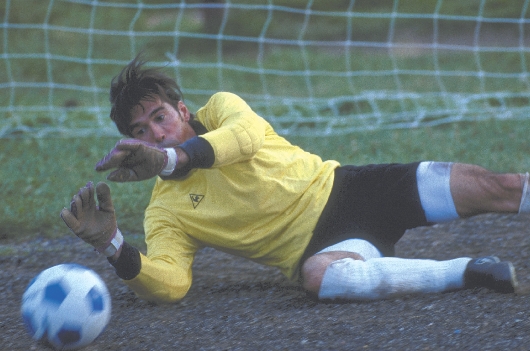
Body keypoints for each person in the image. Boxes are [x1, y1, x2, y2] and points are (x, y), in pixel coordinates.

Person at [61, 56, 524, 304]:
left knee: (497, 187)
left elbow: (243, 138)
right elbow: (172, 284)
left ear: (182, 110)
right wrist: (114, 247)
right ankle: (467, 271)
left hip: (354, 187)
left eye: (159, 118)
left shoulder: (222, 108)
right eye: (139, 132)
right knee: (320, 280)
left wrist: (170, 159)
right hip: (321, 248)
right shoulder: (165, 210)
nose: (154, 135)